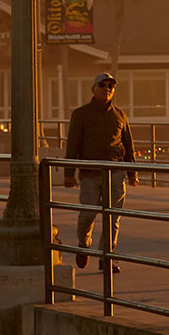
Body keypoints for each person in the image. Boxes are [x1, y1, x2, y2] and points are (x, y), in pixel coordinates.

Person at [63, 72, 137, 273]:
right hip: (90, 174)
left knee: (112, 217)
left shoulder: (120, 115)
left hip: (115, 172)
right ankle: (84, 243)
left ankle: (107, 257)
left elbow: (128, 143)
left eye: (110, 86)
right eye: (102, 86)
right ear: (93, 89)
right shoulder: (81, 114)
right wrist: (69, 172)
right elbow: (73, 144)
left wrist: (132, 171)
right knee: (88, 214)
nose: (107, 90)